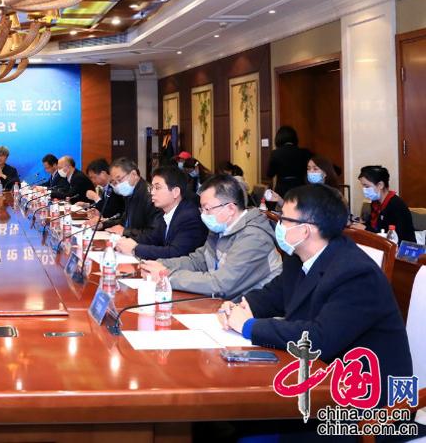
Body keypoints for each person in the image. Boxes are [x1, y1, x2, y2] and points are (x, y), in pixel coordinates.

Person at [218, 184, 412, 407]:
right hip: (316, 377)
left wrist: (249, 327)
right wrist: (239, 307)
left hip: (362, 396)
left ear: (305, 230)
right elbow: (274, 295)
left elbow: (320, 339)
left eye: (284, 219)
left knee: (240, 411)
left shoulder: (356, 273)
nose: (278, 224)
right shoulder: (299, 257)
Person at [139, 174, 281, 299]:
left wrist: (166, 276)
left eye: (207, 209)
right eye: (202, 209)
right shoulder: (221, 228)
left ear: (230, 209)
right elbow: (198, 261)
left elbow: (221, 284)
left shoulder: (254, 237)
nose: (203, 215)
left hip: (253, 313)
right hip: (223, 304)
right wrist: (160, 265)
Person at [114, 165, 207, 260]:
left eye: (157, 188)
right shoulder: (165, 212)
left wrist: (135, 249)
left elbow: (175, 253)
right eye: (152, 188)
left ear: (175, 192)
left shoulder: (189, 216)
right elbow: (153, 238)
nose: (152, 192)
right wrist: (127, 242)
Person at [352, 165, 415, 242]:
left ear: (380, 185)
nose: (364, 190)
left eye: (366, 186)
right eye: (363, 186)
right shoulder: (375, 202)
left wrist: (366, 229)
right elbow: (373, 226)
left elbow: (394, 237)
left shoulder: (396, 205)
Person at [101, 157, 162, 237]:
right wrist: (103, 224)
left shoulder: (151, 197)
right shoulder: (130, 193)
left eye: (119, 180)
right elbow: (125, 221)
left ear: (134, 174)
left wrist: (125, 231)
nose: (118, 185)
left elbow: (154, 234)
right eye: (114, 182)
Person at [265, 126, 312, 198]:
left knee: (282, 204)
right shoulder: (305, 152)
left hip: (282, 189)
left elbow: (269, 174)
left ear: (279, 138)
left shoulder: (276, 153)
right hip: (301, 188)